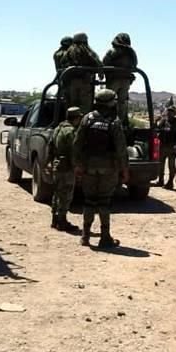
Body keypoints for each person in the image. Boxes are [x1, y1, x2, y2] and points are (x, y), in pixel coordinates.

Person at [73, 89, 129, 249]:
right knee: (104, 202)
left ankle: (85, 236)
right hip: (108, 169)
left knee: (89, 201)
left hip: (88, 167)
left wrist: (77, 165)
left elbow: (77, 144)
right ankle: (105, 237)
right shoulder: (114, 121)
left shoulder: (87, 119)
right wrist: (125, 169)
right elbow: (121, 149)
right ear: (111, 103)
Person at [48, 106, 82, 232]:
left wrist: (49, 162)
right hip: (66, 167)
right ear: (76, 118)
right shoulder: (70, 131)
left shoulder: (58, 128)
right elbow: (74, 151)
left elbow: (50, 146)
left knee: (57, 193)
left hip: (57, 164)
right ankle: (62, 221)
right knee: (66, 194)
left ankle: (55, 219)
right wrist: (77, 167)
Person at [102, 32, 138, 126]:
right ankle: (120, 123)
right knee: (122, 103)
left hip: (113, 79)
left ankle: (106, 120)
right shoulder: (131, 53)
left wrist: (102, 73)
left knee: (108, 99)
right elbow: (135, 65)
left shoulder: (112, 51)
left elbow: (104, 63)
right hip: (125, 80)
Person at [64, 32, 102, 113]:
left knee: (73, 105)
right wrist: (100, 73)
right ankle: (83, 123)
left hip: (72, 82)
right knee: (85, 105)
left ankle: (72, 122)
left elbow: (63, 62)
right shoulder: (87, 50)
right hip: (85, 81)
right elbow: (97, 61)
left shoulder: (69, 50)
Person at [156, 105, 176, 189]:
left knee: (171, 166)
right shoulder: (164, 121)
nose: (169, 113)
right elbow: (157, 129)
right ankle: (160, 180)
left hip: (172, 148)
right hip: (162, 146)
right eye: (168, 111)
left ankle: (170, 182)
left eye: (171, 112)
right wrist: (155, 121)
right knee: (160, 165)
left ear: (174, 113)